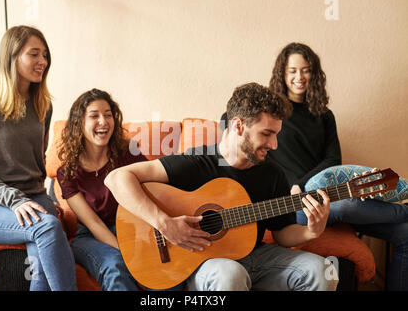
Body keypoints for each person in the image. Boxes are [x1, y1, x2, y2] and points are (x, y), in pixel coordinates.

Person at [106, 82, 338, 291]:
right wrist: (164, 223)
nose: (274, 144)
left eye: (276, 134)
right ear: (237, 125)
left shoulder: (272, 173)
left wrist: (311, 230)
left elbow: (282, 234)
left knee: (323, 270)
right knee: (230, 274)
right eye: (266, 134)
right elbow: (116, 178)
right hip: (207, 262)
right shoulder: (196, 162)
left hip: (257, 257)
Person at [267, 42, 408, 290]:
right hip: (293, 204)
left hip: (323, 195)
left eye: (306, 70)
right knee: (349, 203)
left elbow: (333, 161)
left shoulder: (324, 115)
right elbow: (264, 159)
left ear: (314, 73)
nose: (299, 77)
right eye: (292, 71)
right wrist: (293, 187)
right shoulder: (271, 114)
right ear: (282, 73)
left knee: (405, 232)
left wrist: (302, 184)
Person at [0, 25, 77, 291]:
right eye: (34, 54)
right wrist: (15, 200)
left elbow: (37, 161)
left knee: (41, 268)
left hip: (33, 199)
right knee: (48, 228)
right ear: (12, 57)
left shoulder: (42, 105)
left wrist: (43, 200)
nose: (43, 62)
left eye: (45, 55)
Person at [56, 88, 149, 291]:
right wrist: (131, 258)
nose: (103, 121)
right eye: (94, 116)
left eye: (108, 115)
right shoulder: (67, 173)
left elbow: (154, 191)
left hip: (131, 228)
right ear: (79, 123)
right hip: (88, 235)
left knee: (159, 271)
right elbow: (94, 223)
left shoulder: (128, 154)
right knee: (115, 265)